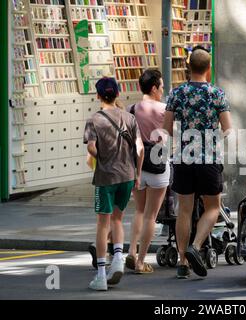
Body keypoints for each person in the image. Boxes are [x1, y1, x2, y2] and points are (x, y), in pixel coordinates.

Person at [163, 47, 232, 279]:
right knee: (213, 207)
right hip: (209, 158)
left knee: (184, 209)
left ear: (189, 67)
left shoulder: (176, 93)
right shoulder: (217, 94)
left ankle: (182, 261)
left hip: (183, 157)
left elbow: (166, 128)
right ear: (208, 69)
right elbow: (227, 128)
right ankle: (196, 245)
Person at [83, 77, 144, 291]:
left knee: (103, 223)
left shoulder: (94, 120)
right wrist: (137, 174)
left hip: (105, 177)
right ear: (118, 94)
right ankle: (118, 257)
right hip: (127, 176)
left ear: (98, 95)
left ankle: (100, 275)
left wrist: (99, 154)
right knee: (118, 219)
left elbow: (91, 148)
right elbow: (139, 149)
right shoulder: (130, 118)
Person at [125, 69, 170, 274]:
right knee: (151, 215)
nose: (163, 90)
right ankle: (141, 262)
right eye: (161, 86)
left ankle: (132, 252)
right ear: (154, 88)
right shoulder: (164, 109)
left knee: (139, 211)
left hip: (137, 167)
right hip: (158, 164)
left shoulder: (131, 109)